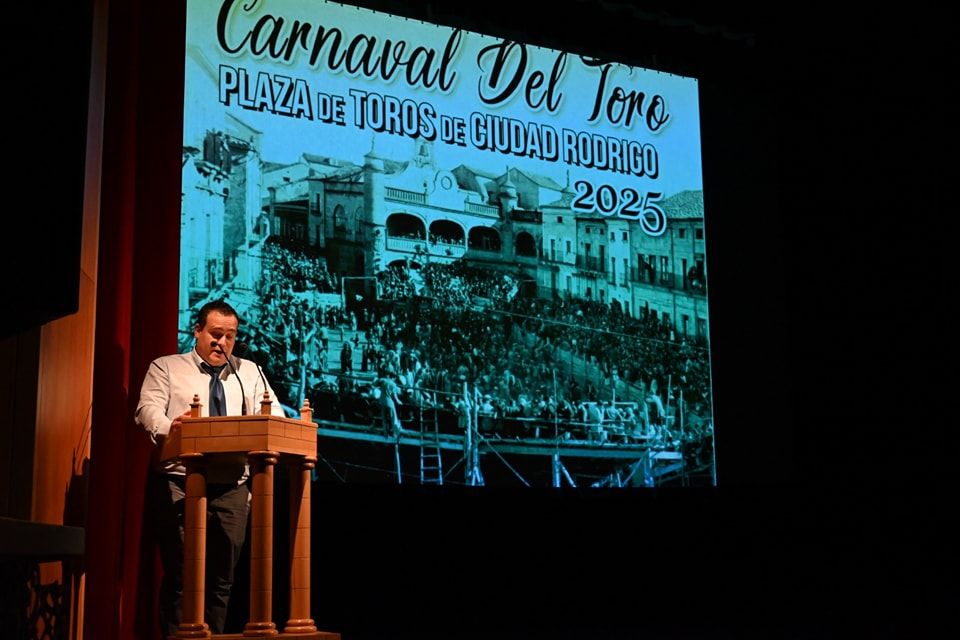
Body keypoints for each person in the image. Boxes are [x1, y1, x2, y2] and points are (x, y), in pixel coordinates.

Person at [135, 299, 284, 637]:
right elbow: (147, 411)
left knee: (221, 579)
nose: (223, 343)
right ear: (197, 331)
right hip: (181, 481)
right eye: (216, 335)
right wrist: (173, 426)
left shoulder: (249, 372)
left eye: (230, 336)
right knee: (183, 575)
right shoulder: (167, 367)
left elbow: (276, 414)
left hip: (233, 486)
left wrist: (276, 424)